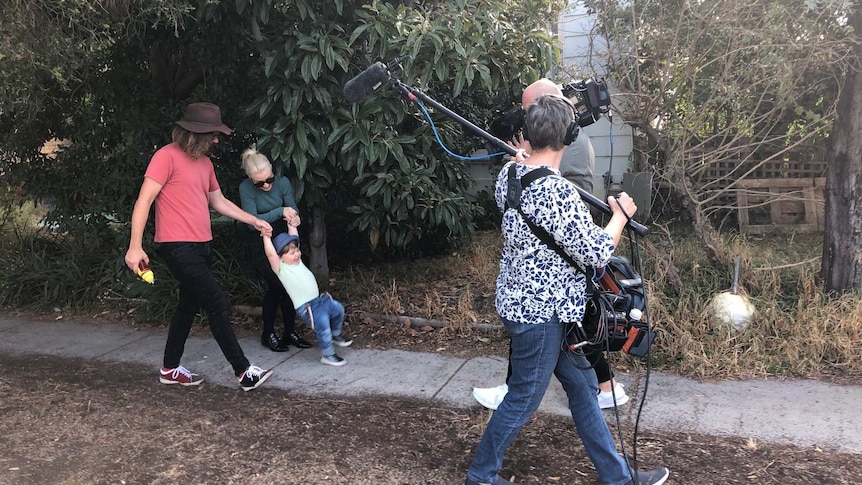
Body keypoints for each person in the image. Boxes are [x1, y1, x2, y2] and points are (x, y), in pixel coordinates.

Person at [463, 94, 669, 485]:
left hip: (538, 306)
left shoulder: (510, 175)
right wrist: (621, 217)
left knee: (584, 386)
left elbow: (518, 173)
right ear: (569, 138)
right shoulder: (559, 193)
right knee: (523, 398)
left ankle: (618, 478)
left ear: (525, 135)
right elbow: (594, 252)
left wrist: (522, 155)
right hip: (541, 315)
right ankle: (481, 477)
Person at [473, 79, 628, 411]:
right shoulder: (561, 141)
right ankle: (604, 387)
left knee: (562, 322)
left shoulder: (565, 147)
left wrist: (529, 164)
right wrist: (524, 163)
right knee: (563, 325)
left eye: (529, 110)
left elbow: (559, 193)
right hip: (557, 240)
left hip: (567, 239)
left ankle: (595, 387)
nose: (525, 119)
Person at [125, 102, 274, 392]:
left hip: (202, 246)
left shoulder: (205, 164)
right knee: (216, 302)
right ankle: (244, 372)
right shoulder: (165, 157)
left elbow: (217, 202)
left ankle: (169, 368)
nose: (217, 140)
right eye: (213, 135)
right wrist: (134, 247)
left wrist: (253, 220)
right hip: (177, 246)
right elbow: (143, 200)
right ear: (196, 133)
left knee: (188, 305)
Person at [239, 148, 312, 352]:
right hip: (260, 238)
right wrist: (280, 211)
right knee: (276, 286)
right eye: (259, 183)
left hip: (283, 237)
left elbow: (292, 208)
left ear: (272, 171)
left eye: (269, 179)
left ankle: (289, 331)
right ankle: (268, 332)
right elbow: (251, 221)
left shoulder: (283, 183)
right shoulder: (245, 188)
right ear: (250, 179)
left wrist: (294, 217)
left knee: (290, 285)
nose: (266, 185)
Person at [262, 226, 353, 367]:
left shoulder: (298, 262)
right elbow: (271, 255)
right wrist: (266, 237)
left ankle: (336, 335)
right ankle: (328, 355)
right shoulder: (282, 269)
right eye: (292, 253)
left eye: (297, 251)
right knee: (323, 325)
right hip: (307, 308)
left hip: (320, 300)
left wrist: (292, 226)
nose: (297, 254)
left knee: (338, 309)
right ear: (281, 257)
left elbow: (295, 238)